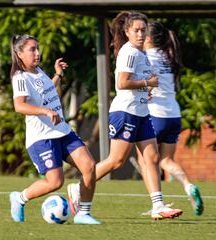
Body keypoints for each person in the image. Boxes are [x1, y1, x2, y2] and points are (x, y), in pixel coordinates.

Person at [67, 12, 183, 220]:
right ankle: (78, 187)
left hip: (141, 113)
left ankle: (158, 206)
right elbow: (122, 83)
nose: (140, 34)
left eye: (143, 30)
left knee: (153, 157)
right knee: (116, 161)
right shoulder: (129, 52)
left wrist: (144, 90)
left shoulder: (142, 54)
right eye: (136, 30)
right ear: (127, 32)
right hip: (126, 113)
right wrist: (147, 84)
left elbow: (135, 82)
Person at [9, 34, 100, 224]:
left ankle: (83, 213)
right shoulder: (20, 77)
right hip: (41, 139)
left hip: (62, 131)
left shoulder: (38, 71)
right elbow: (19, 106)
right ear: (19, 53)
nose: (37, 53)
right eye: (32, 49)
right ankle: (19, 198)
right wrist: (45, 111)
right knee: (55, 182)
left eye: (37, 48)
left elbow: (46, 90)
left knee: (89, 166)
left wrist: (57, 75)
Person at [137, 22, 204, 216]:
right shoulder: (168, 56)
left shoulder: (146, 57)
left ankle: (157, 204)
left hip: (154, 114)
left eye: (143, 33)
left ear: (148, 38)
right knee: (166, 159)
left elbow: (147, 87)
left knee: (145, 160)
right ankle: (188, 185)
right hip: (173, 114)